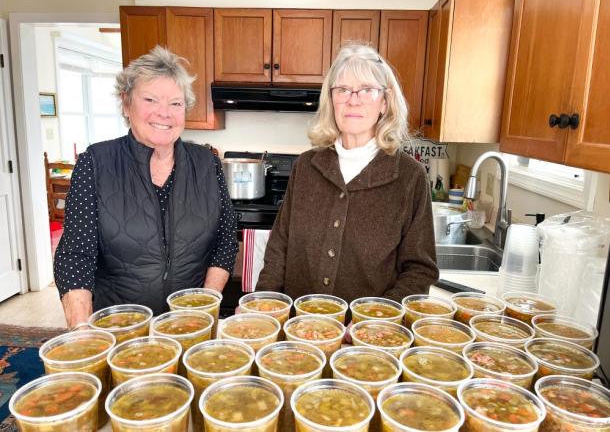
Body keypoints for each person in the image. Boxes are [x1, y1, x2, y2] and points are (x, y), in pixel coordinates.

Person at [55, 46, 238, 327]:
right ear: (126, 103)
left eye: (175, 104)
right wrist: (83, 333)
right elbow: (76, 255)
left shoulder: (207, 163)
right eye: (150, 99)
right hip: (119, 327)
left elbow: (225, 241)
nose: (164, 113)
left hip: (189, 327)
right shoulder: (96, 163)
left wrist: (202, 307)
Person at [256, 44, 438, 303]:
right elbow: (279, 247)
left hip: (371, 337)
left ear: (384, 103)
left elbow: (420, 271)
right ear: (331, 101)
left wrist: (375, 321)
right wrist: (264, 302)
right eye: (342, 90)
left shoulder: (410, 177)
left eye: (367, 90)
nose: (353, 99)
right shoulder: (306, 166)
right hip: (298, 329)